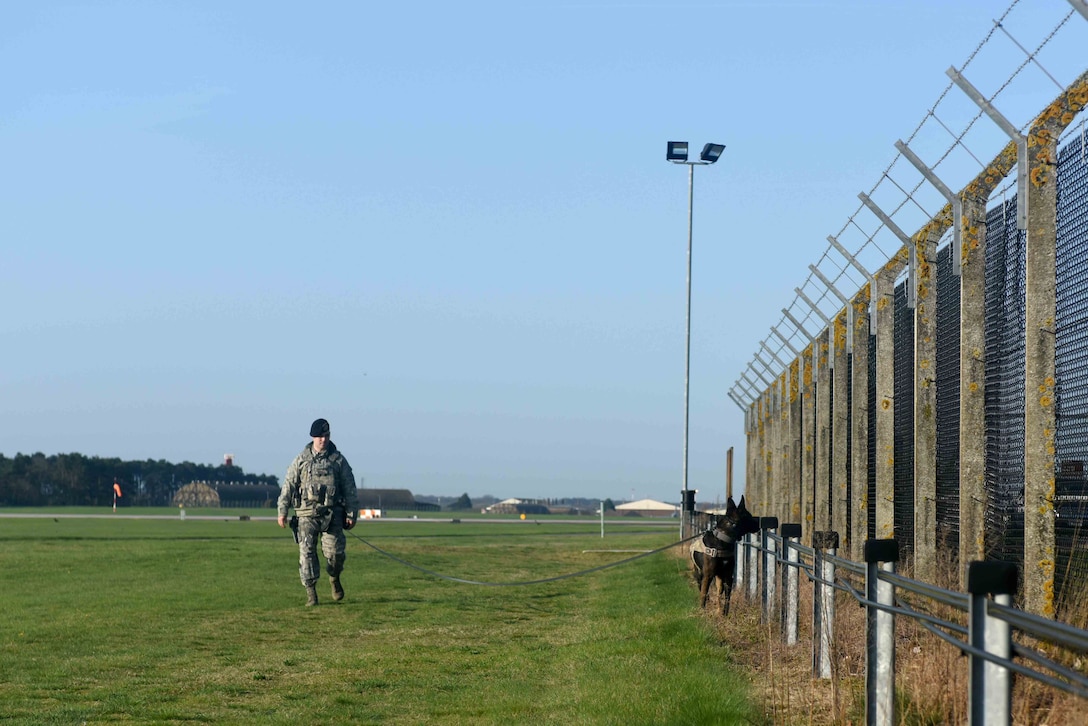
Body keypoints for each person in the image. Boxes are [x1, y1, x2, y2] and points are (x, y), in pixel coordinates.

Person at [277, 417, 360, 606]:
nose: (323, 439)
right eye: (320, 436)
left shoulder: (338, 461)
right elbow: (288, 485)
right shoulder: (301, 460)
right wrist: (282, 510)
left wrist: (351, 514)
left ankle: (334, 577)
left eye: (326, 435)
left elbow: (350, 489)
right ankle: (311, 593)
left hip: (332, 515)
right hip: (306, 514)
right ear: (313, 437)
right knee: (306, 553)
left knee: (335, 554)